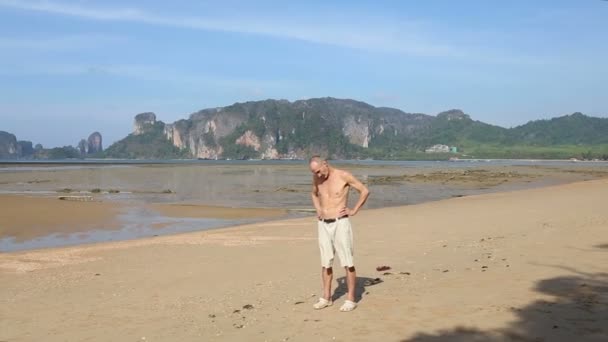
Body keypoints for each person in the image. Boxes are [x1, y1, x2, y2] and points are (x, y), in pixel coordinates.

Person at [309, 156, 370, 312]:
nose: (318, 175)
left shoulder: (343, 175)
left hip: (340, 222)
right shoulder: (317, 178)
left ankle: (351, 299)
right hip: (323, 224)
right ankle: (326, 297)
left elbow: (364, 191)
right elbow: (314, 194)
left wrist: (354, 210)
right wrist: (318, 210)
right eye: (314, 172)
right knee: (325, 262)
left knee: (347, 262)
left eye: (319, 171)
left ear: (325, 164)